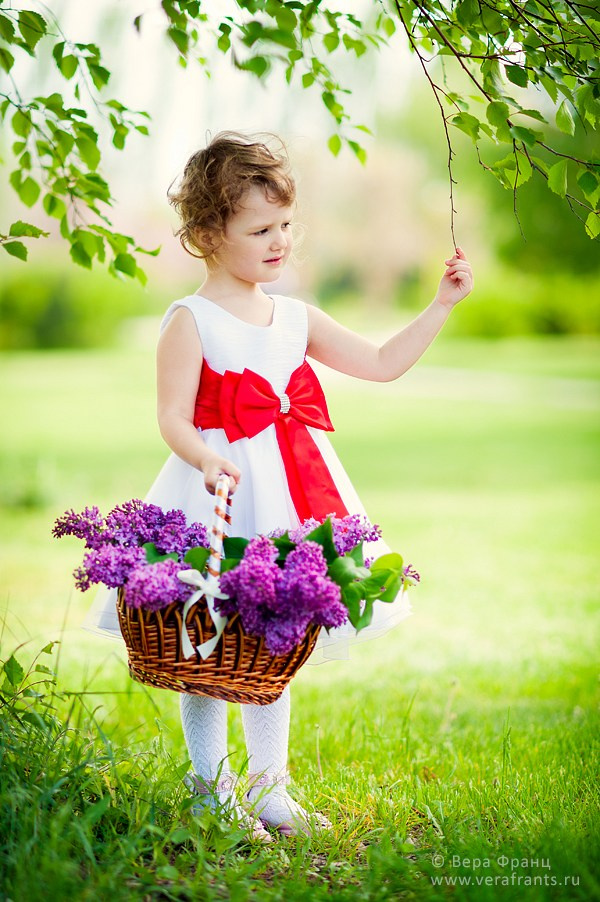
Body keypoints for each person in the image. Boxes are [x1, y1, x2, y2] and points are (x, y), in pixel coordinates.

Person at [84, 131, 473, 842]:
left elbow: (383, 362)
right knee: (203, 645)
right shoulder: (191, 319)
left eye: (286, 225)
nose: (279, 241)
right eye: (260, 229)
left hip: (285, 496)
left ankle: (270, 789)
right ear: (208, 233)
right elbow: (171, 415)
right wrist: (203, 456)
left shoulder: (296, 318)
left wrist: (441, 305)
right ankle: (210, 789)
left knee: (271, 643)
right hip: (216, 497)